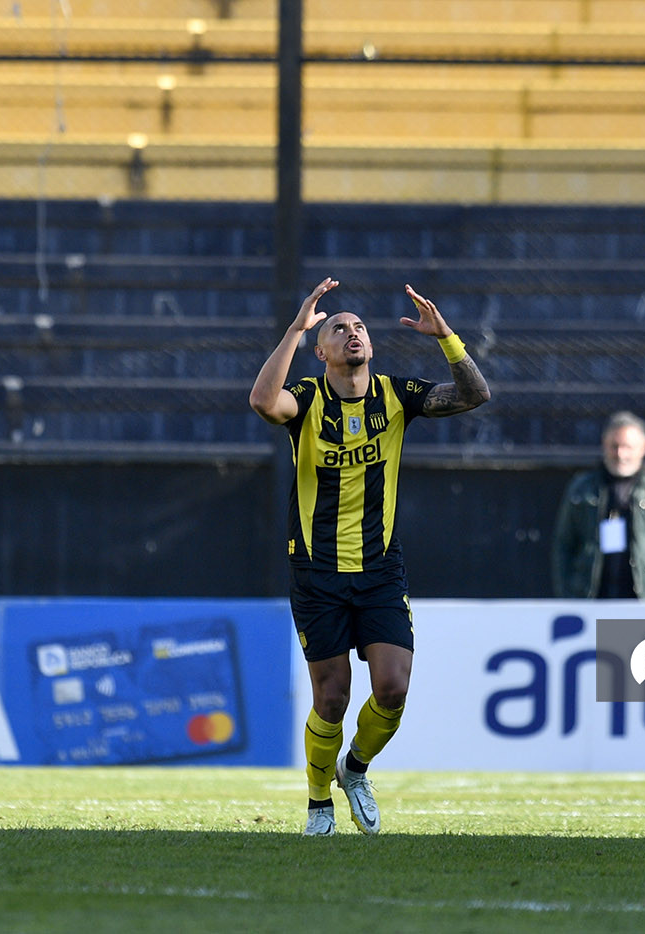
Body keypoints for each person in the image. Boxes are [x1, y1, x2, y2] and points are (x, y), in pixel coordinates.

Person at [250, 278, 490, 836]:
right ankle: (317, 803)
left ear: (371, 346)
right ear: (322, 351)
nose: (352, 332)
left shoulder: (397, 394)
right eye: (339, 328)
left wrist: (448, 336)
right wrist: (294, 328)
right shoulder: (308, 399)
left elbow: (475, 394)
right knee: (331, 699)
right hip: (317, 569)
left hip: (380, 566)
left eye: (359, 327)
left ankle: (354, 769)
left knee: (393, 688)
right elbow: (264, 401)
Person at [551, 411, 645, 600]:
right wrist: (568, 597)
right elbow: (563, 545)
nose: (620, 454)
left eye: (627, 447)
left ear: (644, 447)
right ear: (604, 445)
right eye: (614, 446)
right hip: (591, 599)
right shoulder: (581, 489)